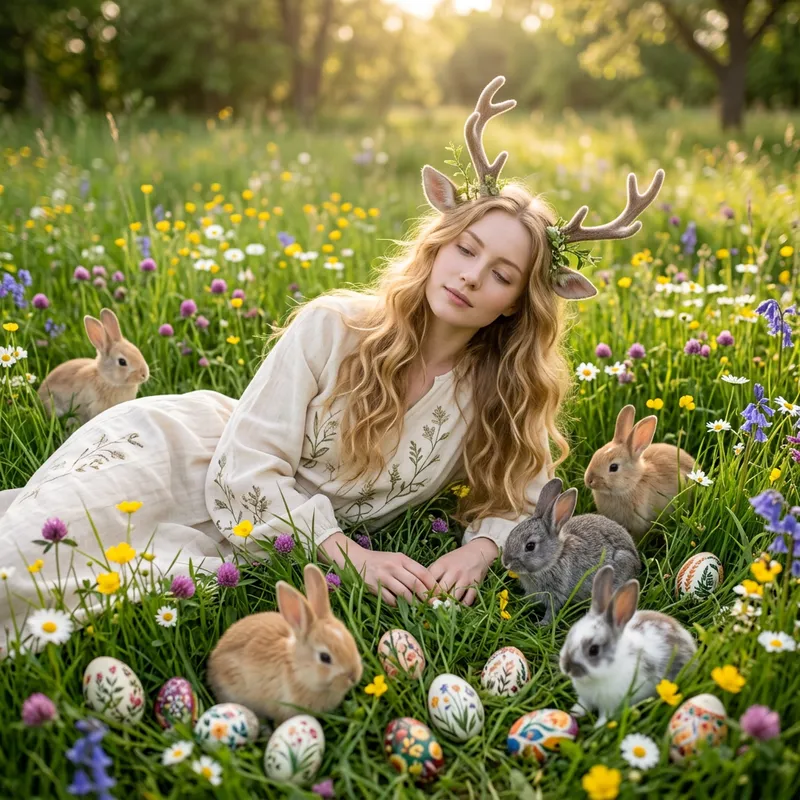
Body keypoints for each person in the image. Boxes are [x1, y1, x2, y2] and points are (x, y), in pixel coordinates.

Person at [0, 76, 663, 651]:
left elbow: (527, 495)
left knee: (85, 597)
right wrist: (349, 554)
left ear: (517, 305)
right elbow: (242, 468)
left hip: (244, 540)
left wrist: (481, 548)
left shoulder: (494, 392)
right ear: (438, 247)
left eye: (500, 274)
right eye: (464, 249)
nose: (469, 276)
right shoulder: (334, 325)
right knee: (22, 560)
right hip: (186, 455)